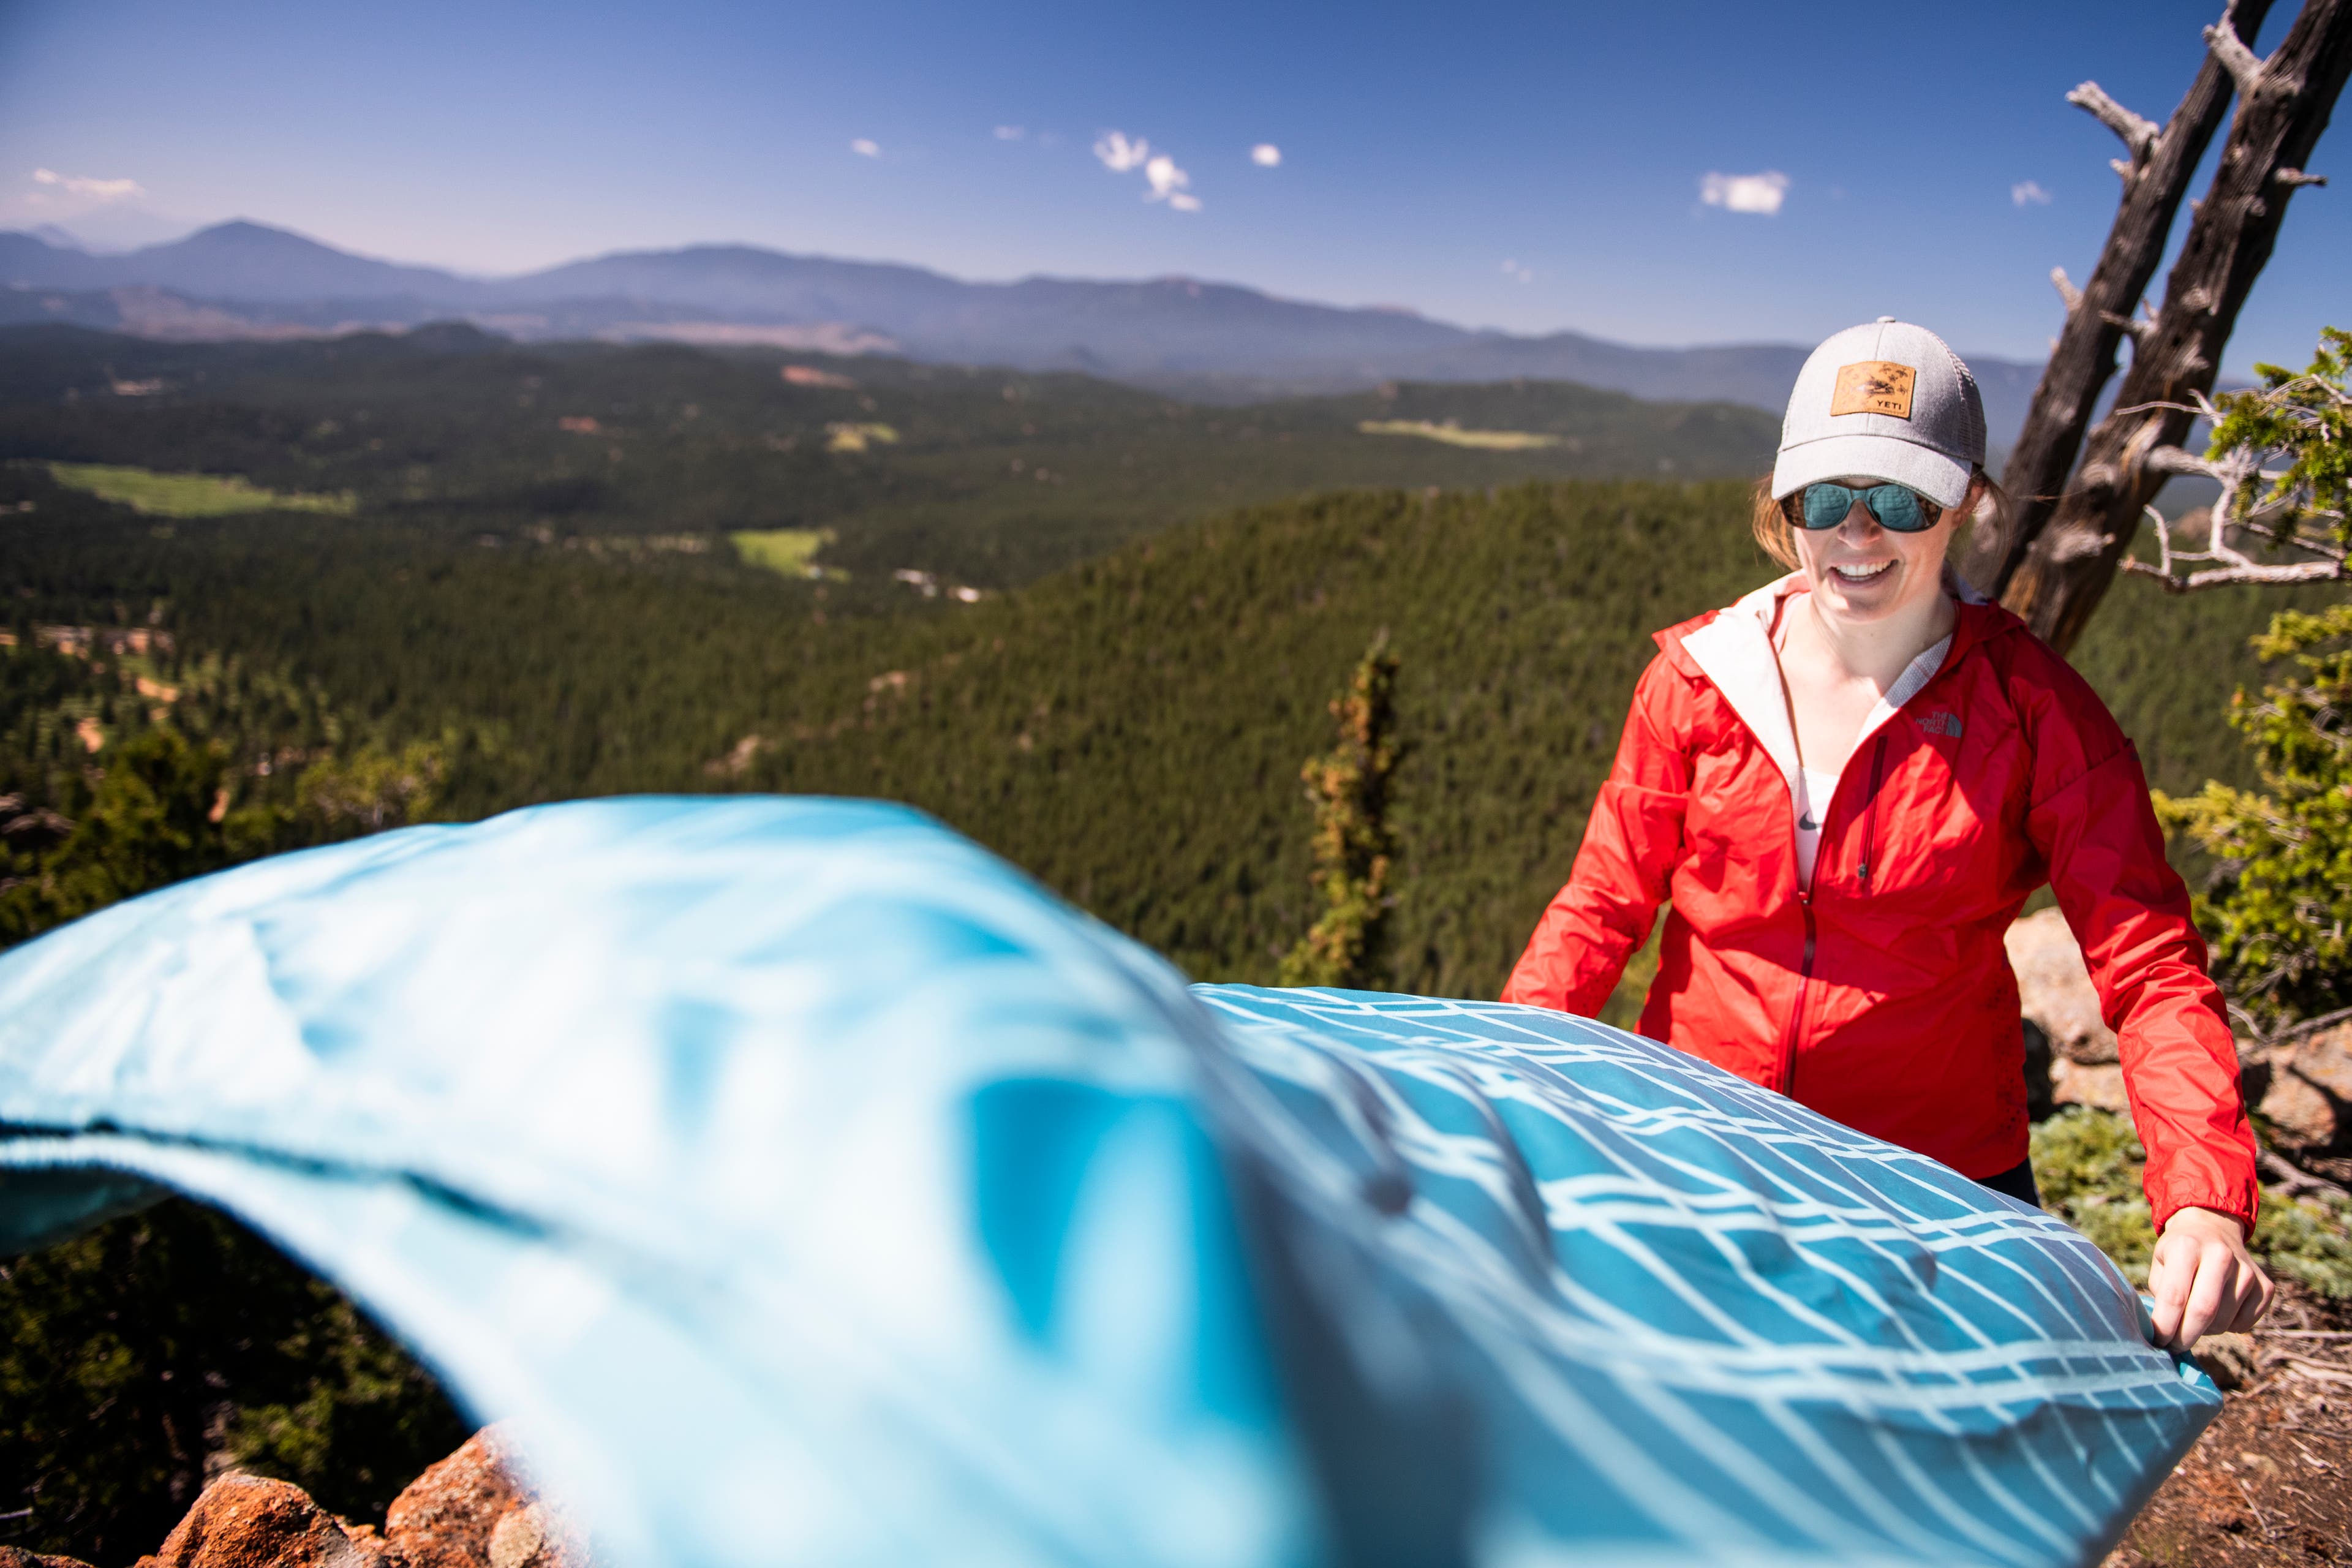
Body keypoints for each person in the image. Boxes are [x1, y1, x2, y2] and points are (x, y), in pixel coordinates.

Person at [1503, 317, 2270, 1349]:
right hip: (1697, 1150)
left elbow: (2150, 963)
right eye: (1827, 497)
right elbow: (1601, 908)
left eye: (1900, 499)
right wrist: (1501, 1077)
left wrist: (2204, 1194)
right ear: (1785, 509)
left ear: (1964, 505)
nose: (1857, 534)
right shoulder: (1695, 682)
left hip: (1934, 1186)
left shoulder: (2037, 713)